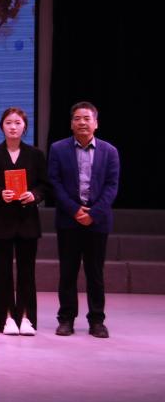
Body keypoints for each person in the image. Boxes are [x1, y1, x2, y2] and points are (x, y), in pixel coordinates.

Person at [48, 102, 120, 339]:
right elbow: (54, 183)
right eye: (77, 118)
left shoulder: (110, 151)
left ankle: (97, 320)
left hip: (97, 222)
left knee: (95, 273)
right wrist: (75, 210)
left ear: (96, 123)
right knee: (67, 272)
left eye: (87, 118)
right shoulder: (58, 149)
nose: (82, 122)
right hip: (69, 220)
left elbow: (111, 186)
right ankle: (66, 319)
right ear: (71, 123)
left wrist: (93, 213)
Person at [0, 107, 48, 336]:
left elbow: (44, 185)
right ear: (2, 126)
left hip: (27, 220)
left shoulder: (35, 155)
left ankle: (26, 317)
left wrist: (34, 195)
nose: (13, 127)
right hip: (0, 220)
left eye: (18, 123)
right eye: (8, 123)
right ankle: (6, 318)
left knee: (27, 271)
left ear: (24, 126)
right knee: (3, 271)